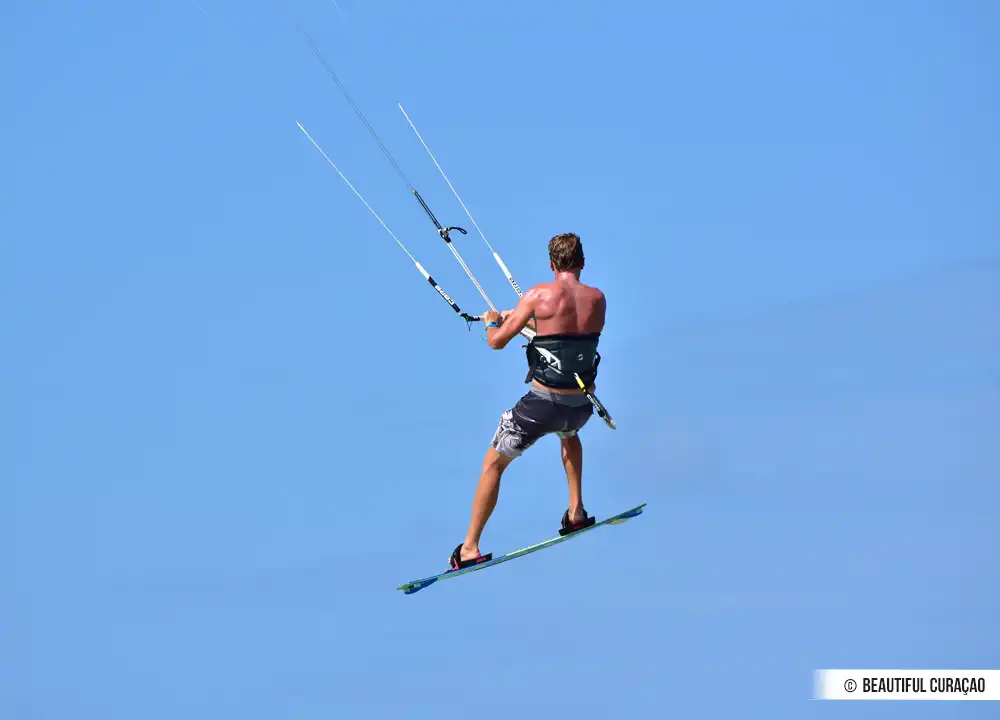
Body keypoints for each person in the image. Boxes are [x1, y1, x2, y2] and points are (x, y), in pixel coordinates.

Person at [449, 232, 607, 570]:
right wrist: (525, 318)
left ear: (551, 265)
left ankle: (469, 547)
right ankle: (576, 512)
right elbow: (567, 330)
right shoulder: (598, 299)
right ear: (582, 262)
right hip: (580, 408)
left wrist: (494, 322)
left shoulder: (537, 295)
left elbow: (495, 342)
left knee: (493, 464)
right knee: (569, 435)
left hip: (542, 407)